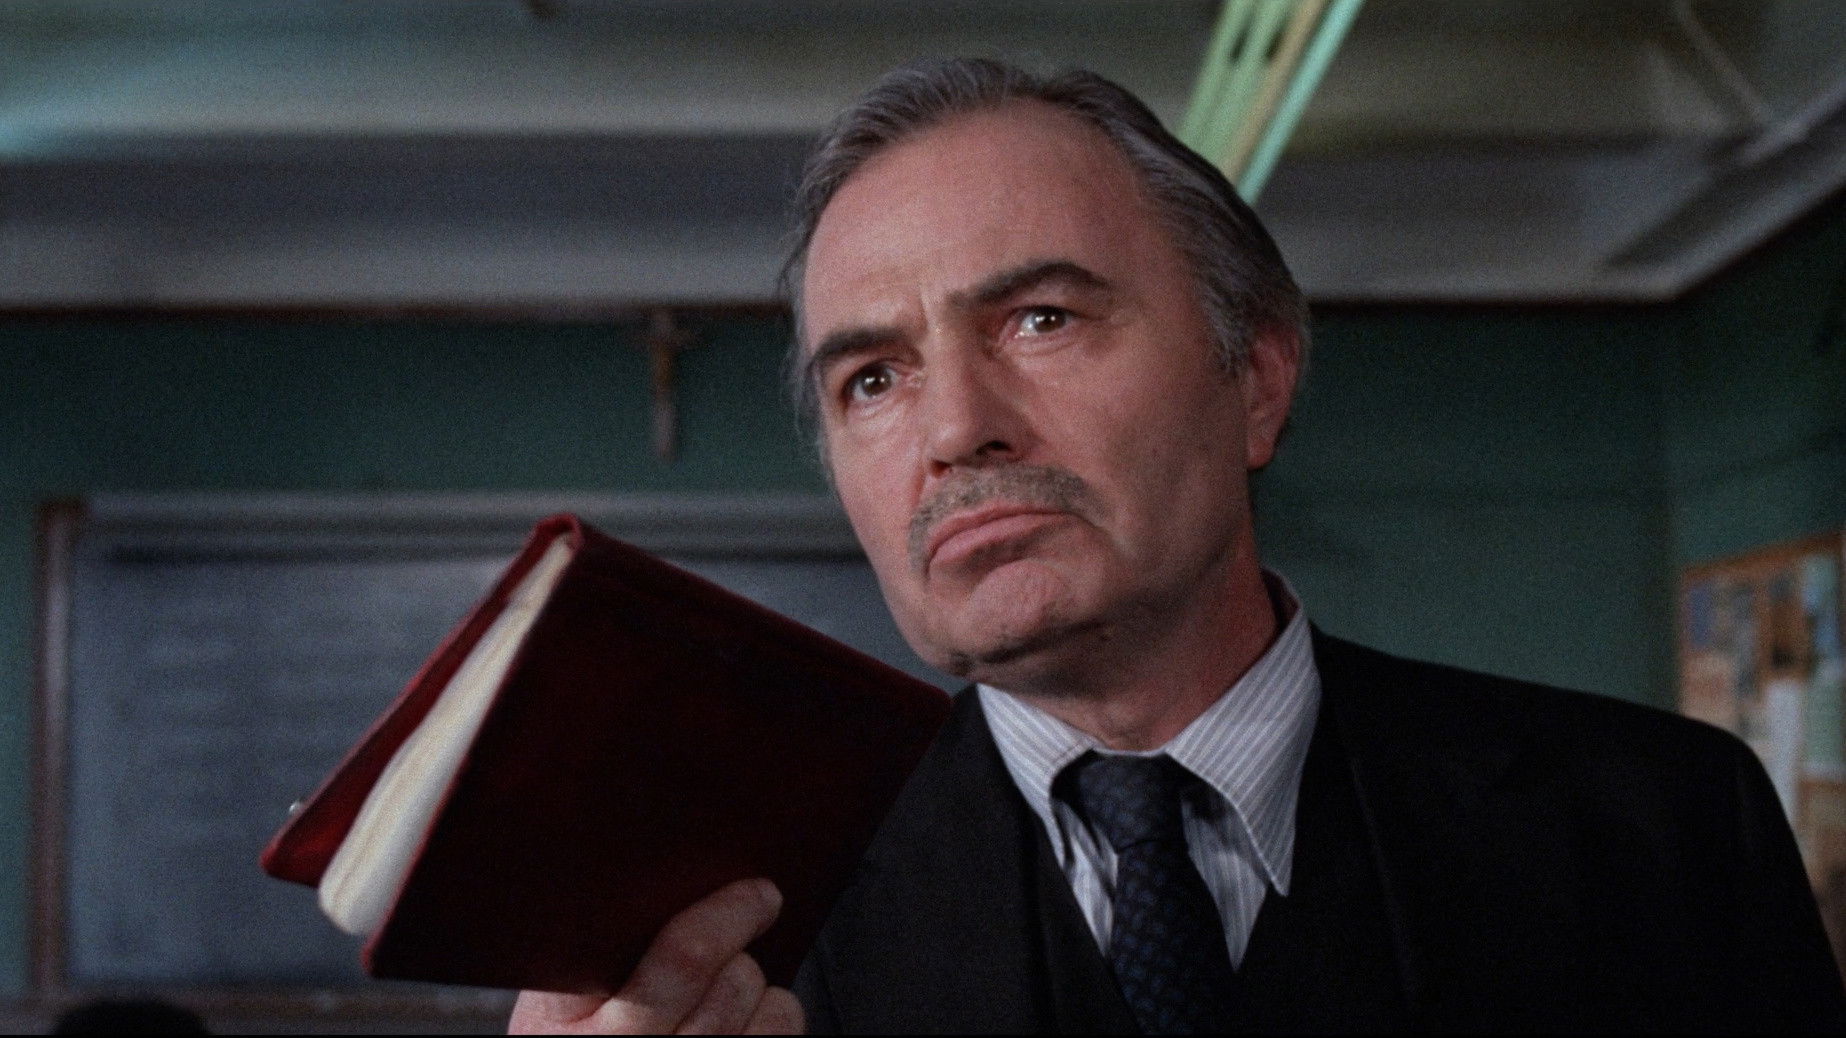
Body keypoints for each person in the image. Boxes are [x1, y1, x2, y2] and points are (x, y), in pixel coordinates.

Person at [511, 58, 1846, 1034]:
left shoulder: (1662, 829)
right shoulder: (725, 942)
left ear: (1254, 378)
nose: (956, 428)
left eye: (1039, 318)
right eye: (872, 378)